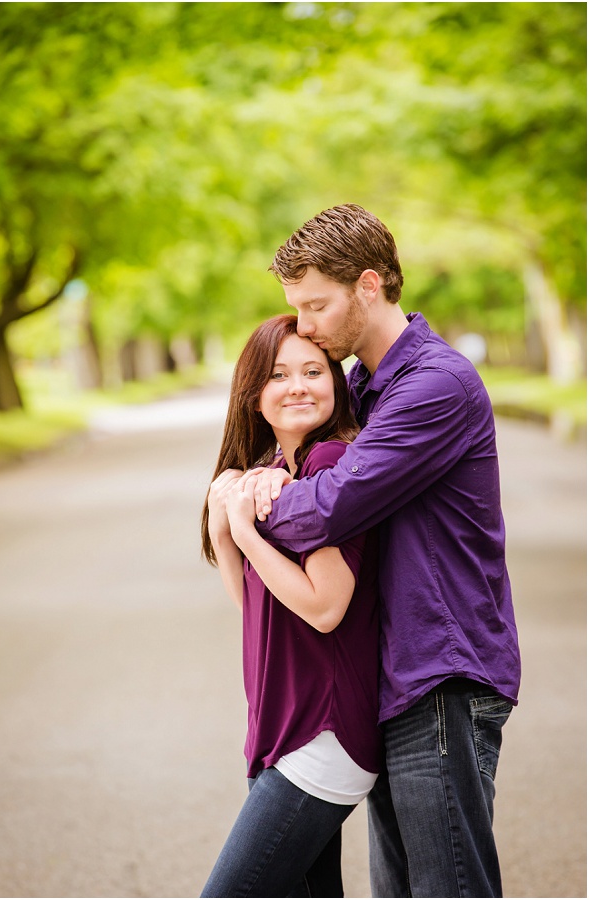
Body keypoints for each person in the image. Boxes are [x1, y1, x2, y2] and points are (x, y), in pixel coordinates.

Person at [243, 204, 521, 897]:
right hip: (395, 677)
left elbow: (331, 508)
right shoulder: (365, 390)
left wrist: (245, 503)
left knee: (446, 890)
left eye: (316, 306)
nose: (305, 326)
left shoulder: (434, 387)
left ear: (369, 285)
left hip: (442, 671)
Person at [199, 315, 381, 897]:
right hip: (281, 728)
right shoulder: (277, 471)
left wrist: (248, 534)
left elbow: (325, 607)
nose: (298, 386)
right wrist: (224, 528)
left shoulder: (330, 464)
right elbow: (255, 604)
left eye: (313, 370)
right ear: (253, 394)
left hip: (321, 731)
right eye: (278, 375)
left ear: (336, 381)